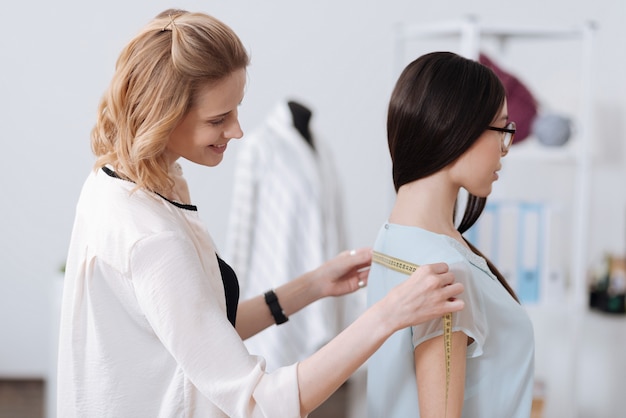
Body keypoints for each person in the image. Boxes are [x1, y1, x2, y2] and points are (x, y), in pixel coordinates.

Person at [57, 10, 466, 418]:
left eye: (236, 109)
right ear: (163, 115)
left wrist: (313, 286)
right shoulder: (151, 238)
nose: (237, 131)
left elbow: (202, 335)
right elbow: (259, 404)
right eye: (219, 119)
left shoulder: (113, 184)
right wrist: (387, 316)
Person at [366, 51, 535, 418]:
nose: (505, 150)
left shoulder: (391, 238)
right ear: (457, 129)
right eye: (503, 130)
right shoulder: (444, 272)